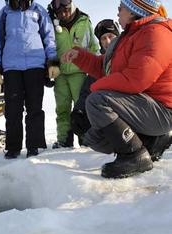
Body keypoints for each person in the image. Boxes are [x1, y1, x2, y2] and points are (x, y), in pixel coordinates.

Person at [61, 0, 172, 178]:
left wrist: (95, 90)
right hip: (143, 106)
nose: (118, 11)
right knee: (95, 138)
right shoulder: (130, 36)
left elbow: (136, 79)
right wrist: (80, 56)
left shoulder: (156, 33)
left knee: (98, 101)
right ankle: (151, 142)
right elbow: (106, 68)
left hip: (162, 110)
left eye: (121, 8)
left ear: (134, 10)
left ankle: (135, 155)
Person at [0, 0, 59, 159]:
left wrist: (52, 62)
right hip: (11, 67)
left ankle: (34, 146)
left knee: (34, 108)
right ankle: (13, 148)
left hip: (35, 65)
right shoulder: (5, 13)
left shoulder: (38, 10)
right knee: (13, 110)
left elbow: (49, 37)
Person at [47, 0, 99, 149]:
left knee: (82, 107)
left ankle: (86, 140)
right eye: (59, 12)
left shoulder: (84, 21)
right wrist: (48, 69)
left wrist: (95, 69)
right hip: (60, 74)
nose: (63, 14)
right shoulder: (52, 24)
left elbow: (93, 46)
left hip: (80, 73)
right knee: (62, 108)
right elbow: (49, 47)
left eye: (66, 10)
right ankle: (64, 140)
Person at [71, 19, 120, 142]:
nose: (107, 42)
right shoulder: (100, 63)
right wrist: (79, 111)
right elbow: (87, 91)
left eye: (110, 36)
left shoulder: (127, 55)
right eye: (103, 38)